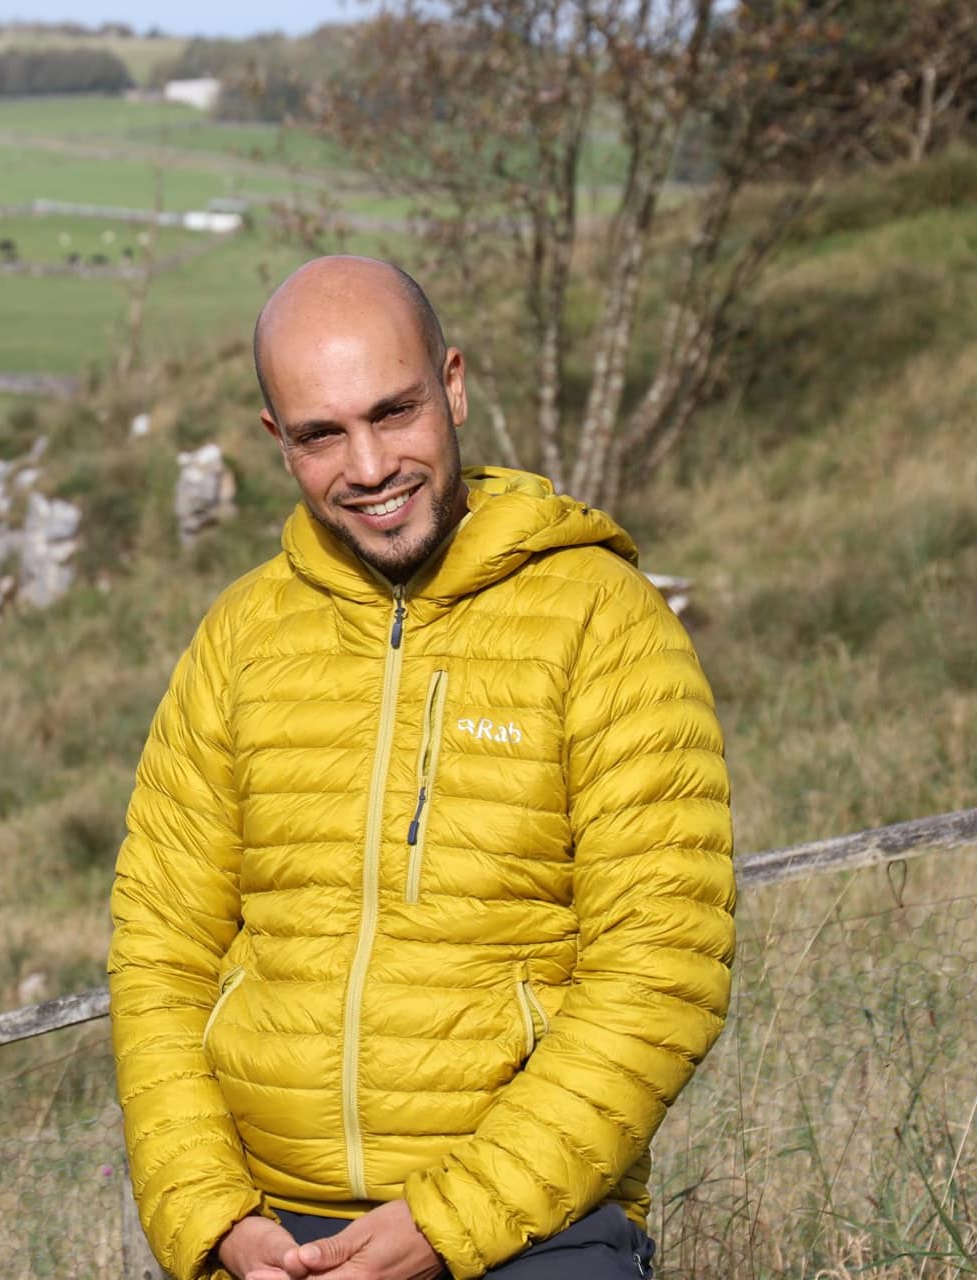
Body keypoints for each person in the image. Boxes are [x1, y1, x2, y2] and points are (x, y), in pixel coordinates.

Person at [108, 257, 734, 1280]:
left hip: (539, 1221)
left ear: (453, 385)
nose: (367, 465)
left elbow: (662, 968)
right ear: (279, 441)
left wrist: (450, 1220)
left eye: (393, 412)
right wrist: (216, 1217)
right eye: (321, 434)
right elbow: (159, 956)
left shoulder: (603, 622)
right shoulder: (237, 640)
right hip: (271, 1225)